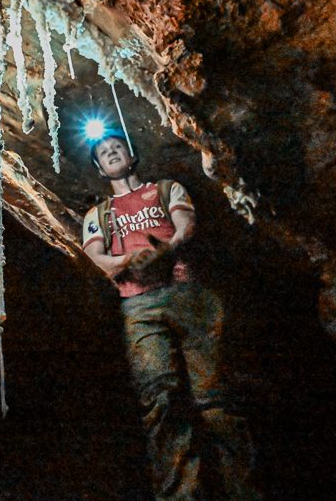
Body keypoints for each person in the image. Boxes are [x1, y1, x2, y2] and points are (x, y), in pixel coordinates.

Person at [81, 131, 258, 500]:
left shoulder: (166, 189)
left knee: (214, 401)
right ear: (99, 167)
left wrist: (167, 251)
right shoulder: (98, 215)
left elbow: (186, 225)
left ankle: (243, 491)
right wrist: (129, 261)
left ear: (131, 155)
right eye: (103, 153)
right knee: (160, 401)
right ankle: (181, 495)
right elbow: (97, 257)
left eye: (116, 148)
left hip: (187, 293)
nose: (111, 153)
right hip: (139, 306)